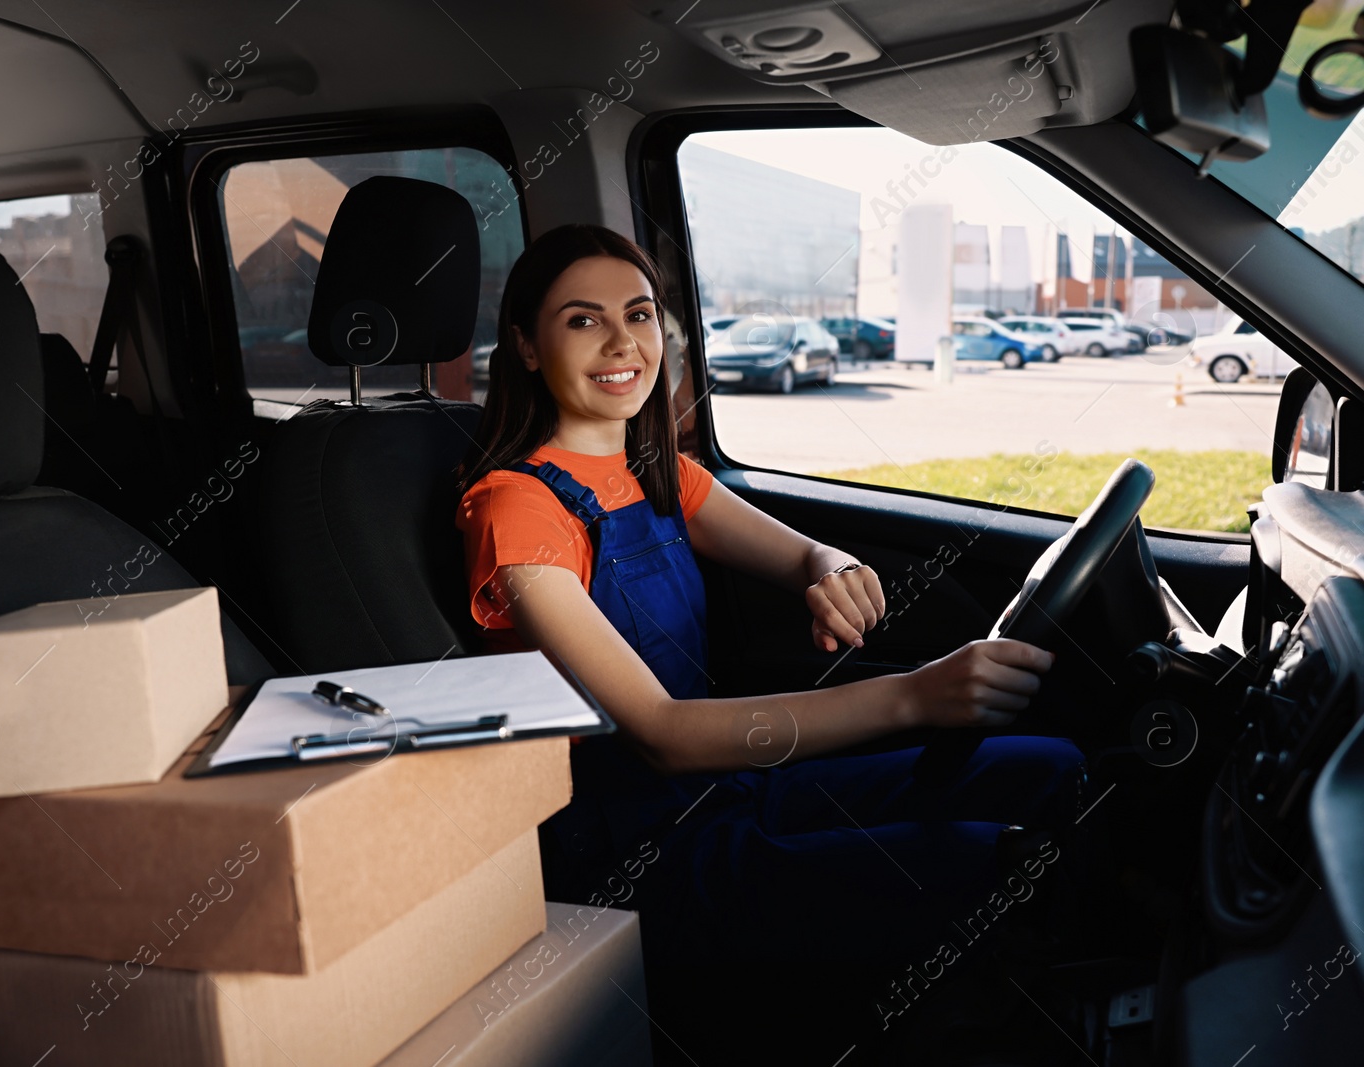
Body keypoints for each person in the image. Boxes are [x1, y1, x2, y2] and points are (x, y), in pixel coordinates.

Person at [454, 223, 1090, 976]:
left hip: (727, 784)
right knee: (988, 861)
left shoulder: (663, 475)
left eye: (639, 313)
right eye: (583, 320)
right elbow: (664, 733)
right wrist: (916, 696)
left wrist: (832, 570)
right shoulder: (515, 508)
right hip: (631, 845)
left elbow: (803, 553)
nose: (623, 342)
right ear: (527, 347)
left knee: (1049, 766)